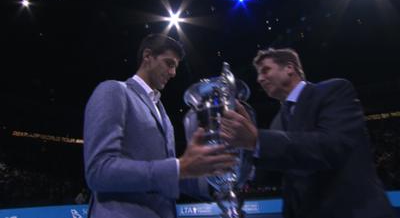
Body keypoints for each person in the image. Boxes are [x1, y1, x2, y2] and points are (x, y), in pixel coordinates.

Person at [220, 48, 396, 218]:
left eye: (265, 70)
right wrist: (239, 161)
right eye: (258, 74)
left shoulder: (334, 91)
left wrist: (257, 140)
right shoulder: (277, 122)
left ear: (289, 68)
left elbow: (330, 147)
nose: (259, 79)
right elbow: (277, 173)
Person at [83, 34, 236, 218]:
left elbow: (166, 177)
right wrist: (179, 167)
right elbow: (99, 171)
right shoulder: (113, 90)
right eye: (169, 63)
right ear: (147, 56)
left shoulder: (161, 112)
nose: (173, 73)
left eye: (175, 67)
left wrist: (213, 176)